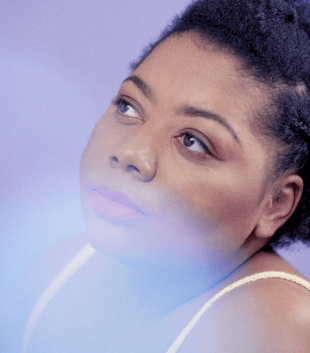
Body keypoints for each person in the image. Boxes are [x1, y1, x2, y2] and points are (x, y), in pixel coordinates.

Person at [6, 0, 310, 352]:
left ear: (276, 203)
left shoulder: (280, 325)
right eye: (129, 107)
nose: (131, 152)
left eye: (193, 142)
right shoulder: (59, 270)